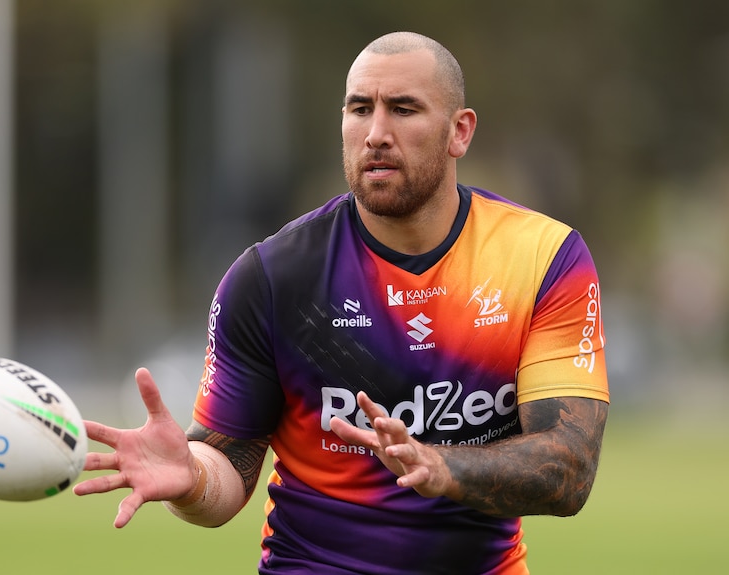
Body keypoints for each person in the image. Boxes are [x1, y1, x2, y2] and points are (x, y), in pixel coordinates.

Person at [74, 31, 610, 574]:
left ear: (459, 132)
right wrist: (191, 477)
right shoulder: (273, 276)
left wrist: (439, 466)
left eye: (403, 109)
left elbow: (569, 468)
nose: (376, 133)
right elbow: (227, 469)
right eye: (360, 109)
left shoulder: (544, 258)